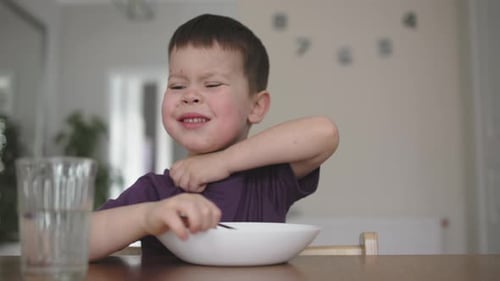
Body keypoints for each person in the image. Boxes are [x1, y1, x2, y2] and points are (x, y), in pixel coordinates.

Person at [89, 13, 339, 260]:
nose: (190, 95)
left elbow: (324, 133)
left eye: (212, 85)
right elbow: (69, 244)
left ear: (256, 107)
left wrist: (222, 162)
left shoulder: (266, 181)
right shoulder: (154, 192)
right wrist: (147, 217)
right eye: (177, 85)